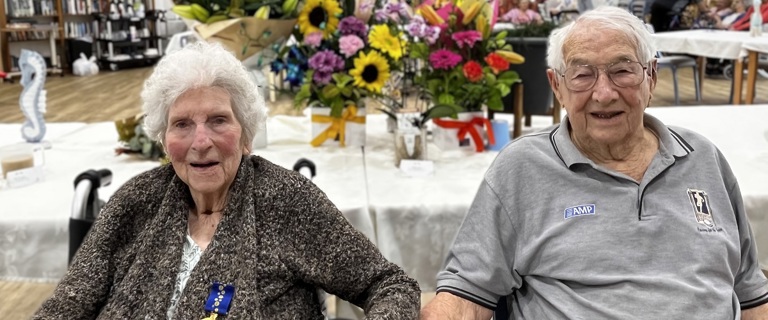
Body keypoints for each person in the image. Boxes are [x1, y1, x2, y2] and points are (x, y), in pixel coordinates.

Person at [421, 6, 768, 319]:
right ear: (557, 86)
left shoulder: (703, 157)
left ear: (652, 77)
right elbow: (466, 297)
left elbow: (751, 294)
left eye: (622, 70)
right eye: (582, 74)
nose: (604, 93)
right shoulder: (522, 169)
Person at [33, 42, 420, 319]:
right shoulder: (134, 201)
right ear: (164, 140)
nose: (201, 142)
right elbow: (69, 302)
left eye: (218, 120)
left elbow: (388, 286)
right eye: (182, 124)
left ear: (246, 134)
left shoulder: (284, 201)